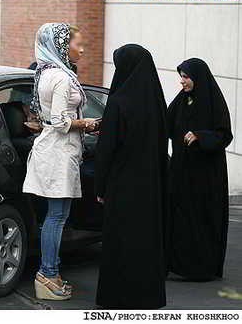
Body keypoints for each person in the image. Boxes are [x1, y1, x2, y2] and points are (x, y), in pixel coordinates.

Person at [23, 23, 98, 300]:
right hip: (58, 153)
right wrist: (88, 123)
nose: (82, 48)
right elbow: (60, 121)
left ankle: (49, 273)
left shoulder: (46, 72)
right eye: (77, 43)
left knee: (53, 217)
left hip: (52, 150)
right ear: (62, 47)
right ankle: (47, 275)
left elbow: (44, 119)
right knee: (56, 217)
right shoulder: (63, 78)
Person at [95, 44, 168, 309]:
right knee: (146, 241)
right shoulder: (157, 102)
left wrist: (100, 186)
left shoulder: (118, 103)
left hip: (123, 185)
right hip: (151, 184)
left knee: (121, 242)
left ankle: (119, 298)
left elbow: (106, 150)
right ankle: (148, 297)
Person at [166, 58, 232, 281]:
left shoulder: (213, 101)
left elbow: (225, 134)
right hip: (182, 173)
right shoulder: (182, 101)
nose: (182, 82)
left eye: (186, 77)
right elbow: (165, 123)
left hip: (206, 176)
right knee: (181, 219)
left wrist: (200, 136)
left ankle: (203, 267)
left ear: (198, 78)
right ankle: (180, 265)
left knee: (203, 220)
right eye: (181, 77)